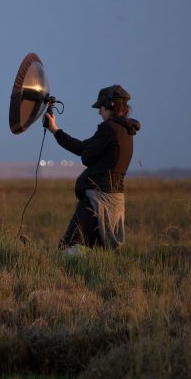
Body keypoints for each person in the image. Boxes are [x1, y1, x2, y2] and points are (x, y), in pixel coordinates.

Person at [42, 85, 140, 253]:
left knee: (68, 247)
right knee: (95, 252)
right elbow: (84, 148)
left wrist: (56, 131)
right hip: (115, 200)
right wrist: (55, 130)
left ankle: (66, 278)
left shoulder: (108, 129)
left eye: (100, 107)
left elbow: (86, 155)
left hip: (97, 199)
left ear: (110, 105)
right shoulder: (126, 131)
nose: (99, 112)